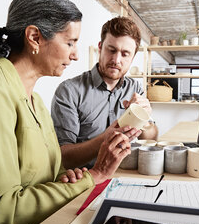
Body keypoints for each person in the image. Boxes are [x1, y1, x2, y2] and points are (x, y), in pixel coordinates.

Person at [0, 0, 130, 224]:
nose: (75, 55)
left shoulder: (37, 101)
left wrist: (67, 177)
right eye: (70, 42)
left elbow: (49, 173)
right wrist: (93, 176)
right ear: (34, 37)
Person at [51, 17, 158, 169]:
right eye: (111, 50)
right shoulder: (69, 91)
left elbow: (152, 138)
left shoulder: (135, 89)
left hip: (124, 175)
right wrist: (105, 138)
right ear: (100, 47)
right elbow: (63, 158)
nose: (116, 60)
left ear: (133, 57)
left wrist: (145, 121)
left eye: (125, 54)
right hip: (85, 180)